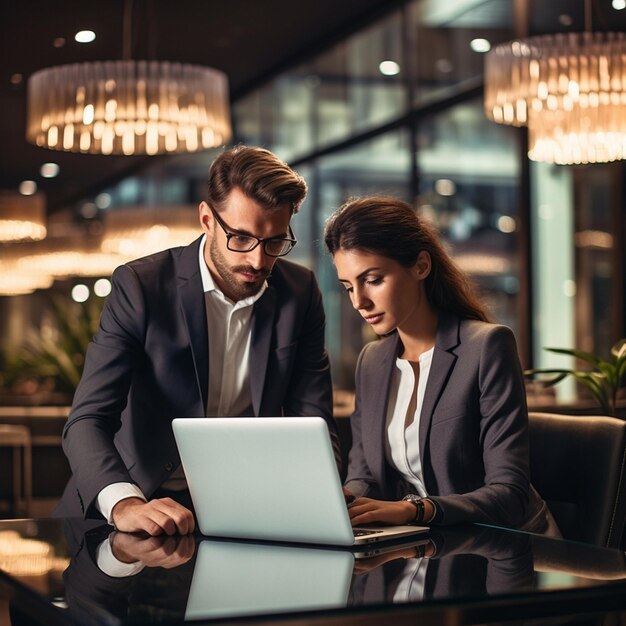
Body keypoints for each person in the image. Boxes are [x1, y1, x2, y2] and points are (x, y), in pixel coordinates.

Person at [57, 145, 338, 536]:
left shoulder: (300, 291)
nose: (258, 261)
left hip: (245, 513)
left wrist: (323, 500)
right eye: (241, 238)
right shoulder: (142, 286)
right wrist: (124, 502)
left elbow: (314, 422)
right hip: (133, 504)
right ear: (207, 219)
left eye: (275, 242)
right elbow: (87, 419)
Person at [324, 195, 557, 534]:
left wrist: (413, 510)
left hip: (502, 550)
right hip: (423, 549)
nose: (359, 301)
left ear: (420, 266)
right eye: (348, 287)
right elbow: (365, 476)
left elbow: (509, 494)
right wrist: (344, 501)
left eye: (373, 280)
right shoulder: (372, 361)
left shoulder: (486, 347)